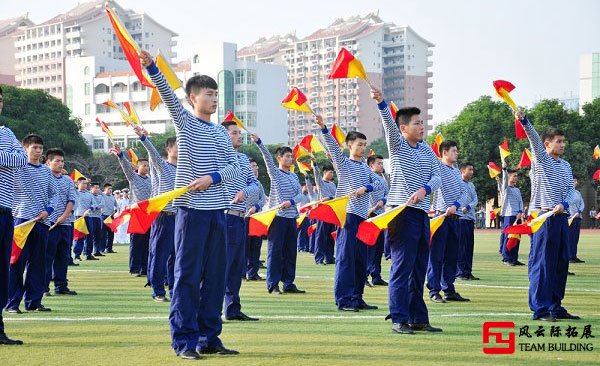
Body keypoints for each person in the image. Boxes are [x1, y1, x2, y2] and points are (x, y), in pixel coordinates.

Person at [143, 50, 240, 359]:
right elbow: (167, 95)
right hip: (190, 211)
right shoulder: (185, 122)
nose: (214, 99)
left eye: (215, 94)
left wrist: (212, 177)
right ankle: (185, 340)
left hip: (217, 212)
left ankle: (210, 337)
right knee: (187, 275)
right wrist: (152, 68)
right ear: (193, 98)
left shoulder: (221, 133)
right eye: (208, 94)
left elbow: (233, 168)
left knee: (215, 276)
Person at [372, 88, 442, 334]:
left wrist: (425, 189)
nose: (421, 127)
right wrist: (381, 103)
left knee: (419, 267)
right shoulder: (398, 145)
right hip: (401, 213)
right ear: (404, 129)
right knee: (402, 267)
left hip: (422, 214)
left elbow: (438, 175)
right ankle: (399, 319)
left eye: (422, 122)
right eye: (416, 123)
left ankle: (418, 318)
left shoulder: (426, 150)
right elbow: (389, 125)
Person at [316, 115, 385, 312]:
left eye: (364, 145)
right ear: (349, 146)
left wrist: (366, 187)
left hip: (363, 217)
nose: (363, 148)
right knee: (346, 258)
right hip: (348, 215)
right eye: (359, 144)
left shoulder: (365, 167)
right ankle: (344, 299)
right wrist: (324, 128)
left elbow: (380, 183)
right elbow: (333, 148)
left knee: (360, 258)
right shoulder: (344, 164)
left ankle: (357, 297)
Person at [517, 109, 579, 322]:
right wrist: (524, 121)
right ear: (547, 144)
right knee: (542, 263)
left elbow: (572, 191)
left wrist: (564, 203)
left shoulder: (566, 165)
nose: (562, 145)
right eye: (558, 141)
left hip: (562, 219)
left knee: (561, 263)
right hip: (543, 218)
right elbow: (533, 138)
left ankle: (555, 305)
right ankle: (540, 309)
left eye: (563, 141)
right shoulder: (540, 160)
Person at [6, 134, 58, 314]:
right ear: (25, 149)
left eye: (40, 148)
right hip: (21, 221)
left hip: (42, 222)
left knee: (38, 264)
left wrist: (49, 211)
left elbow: (55, 194)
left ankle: (34, 302)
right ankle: (12, 303)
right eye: (34, 148)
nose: (38, 151)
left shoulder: (46, 171)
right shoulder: (16, 168)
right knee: (16, 263)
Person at [251, 132, 305, 295]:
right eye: (287, 156)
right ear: (279, 158)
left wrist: (292, 202)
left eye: (291, 156)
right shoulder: (275, 173)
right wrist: (260, 143)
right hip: (278, 218)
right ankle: (273, 284)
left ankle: (288, 282)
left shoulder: (294, 176)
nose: (290, 159)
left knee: (290, 252)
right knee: (275, 252)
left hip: (291, 218)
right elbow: (267, 157)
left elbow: (300, 194)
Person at [134, 125, 178, 301]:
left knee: (176, 257)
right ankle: (158, 291)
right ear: (168, 149)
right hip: (163, 216)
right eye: (177, 146)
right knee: (160, 254)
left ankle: (175, 291)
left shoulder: (184, 169)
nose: (181, 149)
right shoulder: (162, 166)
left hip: (180, 217)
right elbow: (152, 153)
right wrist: (144, 138)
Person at [221, 121, 260, 321]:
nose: (239, 136)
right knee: (223, 265)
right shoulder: (218, 157)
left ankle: (233, 308)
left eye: (239, 132)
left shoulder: (244, 159)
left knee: (237, 266)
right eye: (234, 133)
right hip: (224, 216)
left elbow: (255, 185)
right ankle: (212, 309)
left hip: (240, 218)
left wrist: (245, 191)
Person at [427, 140, 471, 303]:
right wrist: (447, 207)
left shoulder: (455, 173)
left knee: (452, 256)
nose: (457, 153)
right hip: (440, 218)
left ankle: (449, 289)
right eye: (454, 151)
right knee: (437, 256)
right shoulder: (438, 168)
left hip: (455, 218)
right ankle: (434, 290)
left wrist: (456, 205)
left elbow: (465, 194)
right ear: (444, 152)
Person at [0, 86, 28, 345]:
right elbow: (14, 158)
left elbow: (21, 160)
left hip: (5, 210)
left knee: (2, 271)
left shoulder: (6, 133)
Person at [113, 144, 152, 277]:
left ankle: (145, 268)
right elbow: (125, 166)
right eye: (143, 165)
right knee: (136, 242)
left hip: (148, 214)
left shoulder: (152, 180)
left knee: (148, 242)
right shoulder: (133, 177)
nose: (146, 167)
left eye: (147, 165)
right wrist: (120, 155)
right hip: (136, 213)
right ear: (137, 167)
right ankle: (135, 268)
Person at [44, 148, 77, 296]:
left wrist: (64, 216)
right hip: (48, 223)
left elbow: (72, 200)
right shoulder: (44, 178)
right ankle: (43, 286)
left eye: (62, 161)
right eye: (57, 161)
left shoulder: (67, 180)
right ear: (48, 162)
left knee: (63, 257)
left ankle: (61, 285)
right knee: (46, 256)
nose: (60, 164)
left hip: (65, 224)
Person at [366, 154, 389, 287]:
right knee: (369, 248)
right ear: (371, 165)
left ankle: (376, 275)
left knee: (378, 248)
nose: (381, 165)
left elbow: (388, 194)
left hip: (381, 216)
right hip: (370, 215)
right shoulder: (367, 177)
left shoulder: (383, 180)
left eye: (382, 163)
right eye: (379, 163)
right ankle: (364, 275)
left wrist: (383, 201)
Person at [456, 162, 480, 281]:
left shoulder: (471, 185)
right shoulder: (457, 183)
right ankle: (460, 272)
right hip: (460, 218)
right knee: (461, 247)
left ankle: (467, 271)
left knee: (469, 247)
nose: (472, 172)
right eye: (469, 169)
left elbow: (475, 199)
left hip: (470, 218)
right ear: (462, 170)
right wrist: (462, 208)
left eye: (472, 169)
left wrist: (469, 207)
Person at [245, 158, 267, 281]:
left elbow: (263, 199)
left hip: (257, 218)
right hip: (244, 218)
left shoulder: (258, 184)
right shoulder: (242, 182)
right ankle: (241, 272)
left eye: (256, 166)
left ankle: (253, 273)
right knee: (244, 246)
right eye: (253, 165)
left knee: (255, 246)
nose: (256, 168)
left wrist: (256, 207)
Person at [499, 162, 524, 266]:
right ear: (509, 177)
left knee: (516, 238)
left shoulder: (517, 190)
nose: (516, 178)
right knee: (508, 237)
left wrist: (520, 212)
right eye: (514, 176)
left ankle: (514, 258)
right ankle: (506, 258)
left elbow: (520, 202)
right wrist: (504, 169)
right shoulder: (505, 189)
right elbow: (504, 181)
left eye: (516, 176)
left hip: (517, 216)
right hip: (509, 216)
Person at [313, 162, 337, 264]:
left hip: (332, 211)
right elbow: (316, 174)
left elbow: (336, 196)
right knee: (321, 236)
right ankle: (319, 258)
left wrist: (330, 198)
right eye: (330, 172)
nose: (331, 174)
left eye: (332, 172)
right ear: (324, 172)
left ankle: (329, 257)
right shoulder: (320, 183)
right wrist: (315, 164)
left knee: (330, 236)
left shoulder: (333, 184)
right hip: (323, 211)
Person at [72, 178, 96, 260]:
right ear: (78, 184)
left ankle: (88, 254)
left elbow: (94, 205)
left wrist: (90, 209)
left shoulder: (89, 194)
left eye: (86, 183)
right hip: (78, 217)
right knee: (79, 236)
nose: (85, 185)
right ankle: (77, 255)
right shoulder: (75, 193)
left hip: (88, 217)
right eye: (82, 183)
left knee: (90, 236)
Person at [568, 176, 585, 263]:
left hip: (578, 217)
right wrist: (573, 214)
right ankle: (570, 256)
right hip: (570, 218)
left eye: (576, 181)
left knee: (575, 238)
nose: (575, 182)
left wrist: (579, 211)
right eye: (573, 181)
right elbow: (569, 204)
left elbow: (582, 203)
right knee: (570, 237)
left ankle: (574, 255)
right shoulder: (567, 192)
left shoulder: (577, 192)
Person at [89, 183, 105, 258]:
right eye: (95, 188)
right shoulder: (89, 195)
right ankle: (88, 252)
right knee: (90, 235)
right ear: (91, 188)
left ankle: (96, 251)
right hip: (91, 216)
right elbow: (90, 205)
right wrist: (95, 206)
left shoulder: (101, 196)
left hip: (98, 217)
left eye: (98, 188)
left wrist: (95, 206)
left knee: (98, 235)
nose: (97, 189)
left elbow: (102, 205)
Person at [101, 183, 118, 254]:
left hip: (111, 217)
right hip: (103, 216)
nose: (110, 190)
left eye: (111, 189)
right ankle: (102, 249)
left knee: (111, 233)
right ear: (105, 189)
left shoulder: (112, 197)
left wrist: (115, 210)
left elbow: (116, 206)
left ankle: (109, 248)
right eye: (109, 189)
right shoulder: (102, 195)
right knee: (103, 234)